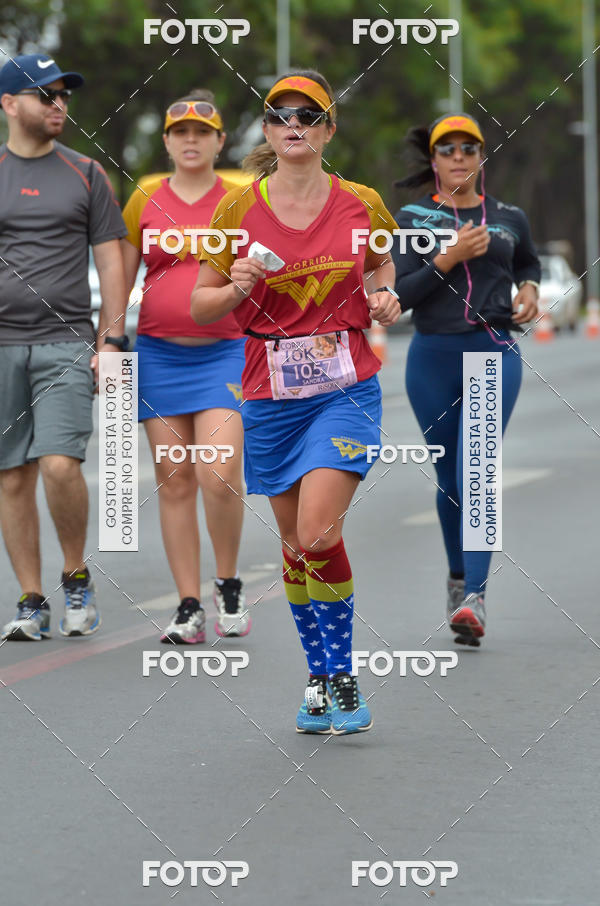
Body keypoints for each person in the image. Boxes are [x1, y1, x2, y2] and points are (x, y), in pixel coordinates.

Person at [190, 70, 400, 734]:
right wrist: (236, 286)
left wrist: (385, 295)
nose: (295, 125)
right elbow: (201, 305)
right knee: (294, 545)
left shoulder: (361, 203)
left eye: (308, 116)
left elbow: (382, 265)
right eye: (281, 115)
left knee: (317, 532)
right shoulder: (235, 211)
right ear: (266, 129)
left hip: (345, 388)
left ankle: (343, 673)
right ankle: (318, 676)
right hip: (270, 392)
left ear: (328, 129)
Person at [392, 113, 540, 646]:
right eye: (447, 149)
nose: (458, 156)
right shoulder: (413, 218)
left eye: (468, 148)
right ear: (434, 160)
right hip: (431, 354)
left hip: (492, 349)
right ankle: (458, 578)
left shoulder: (508, 216)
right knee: (450, 479)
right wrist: (449, 258)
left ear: (481, 156)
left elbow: (528, 262)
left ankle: (475, 595)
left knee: (477, 471)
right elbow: (400, 294)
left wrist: (528, 288)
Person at [0, 54, 128, 641]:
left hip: (66, 341)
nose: (59, 105)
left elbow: (112, 261)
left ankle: (75, 577)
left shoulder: (86, 172)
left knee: (58, 463)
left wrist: (111, 340)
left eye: (64, 95)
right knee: (11, 477)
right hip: (3, 345)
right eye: (45, 95)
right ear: (9, 104)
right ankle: (31, 600)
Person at [121, 90, 249, 644]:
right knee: (174, 481)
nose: (191, 140)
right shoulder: (145, 198)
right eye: (180, 133)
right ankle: (188, 606)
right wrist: (108, 343)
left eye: (202, 132)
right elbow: (122, 277)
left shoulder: (242, 198)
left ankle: (228, 582)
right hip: (158, 355)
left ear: (220, 141)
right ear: (168, 142)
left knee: (217, 473)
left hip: (226, 352)